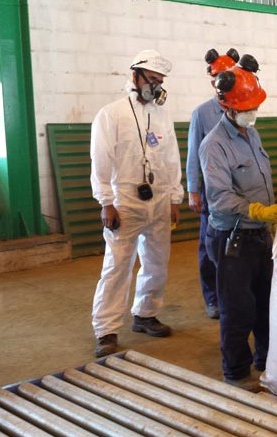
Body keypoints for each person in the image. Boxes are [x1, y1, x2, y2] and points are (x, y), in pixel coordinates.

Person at [199, 57, 277, 389]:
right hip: (231, 239)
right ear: (226, 106)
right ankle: (236, 372)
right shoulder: (214, 145)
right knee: (237, 310)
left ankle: (266, 362)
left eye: (254, 106)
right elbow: (220, 198)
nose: (251, 112)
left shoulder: (251, 135)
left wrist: (274, 206)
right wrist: (258, 211)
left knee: (265, 305)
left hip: (258, 237)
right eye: (245, 107)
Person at [90, 49, 184, 358]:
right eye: (152, 79)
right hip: (125, 203)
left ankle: (145, 314)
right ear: (135, 76)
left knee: (157, 262)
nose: (156, 86)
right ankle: (106, 330)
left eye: (160, 81)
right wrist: (106, 202)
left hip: (157, 202)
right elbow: (100, 161)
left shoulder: (160, 115)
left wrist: (174, 197)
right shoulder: (111, 114)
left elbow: (171, 159)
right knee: (117, 267)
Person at [187, 47, 240, 319]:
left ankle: (233, 292)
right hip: (212, 191)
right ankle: (213, 298)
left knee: (236, 245)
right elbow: (194, 153)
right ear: (212, 81)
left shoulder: (242, 107)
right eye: (220, 77)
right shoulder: (202, 114)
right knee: (209, 247)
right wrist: (193, 190)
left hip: (238, 188)